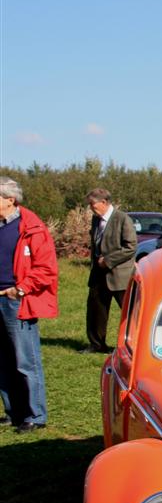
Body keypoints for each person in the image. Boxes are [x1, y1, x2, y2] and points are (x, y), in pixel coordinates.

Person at [0, 177, 57, 433]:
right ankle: (14, 412)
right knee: (3, 361)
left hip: (16, 301)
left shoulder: (32, 227)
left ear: (10, 200)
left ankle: (35, 415)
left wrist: (20, 289)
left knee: (26, 361)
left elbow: (45, 268)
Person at [85, 188, 137, 353]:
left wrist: (108, 261)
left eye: (93, 204)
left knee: (130, 312)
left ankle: (135, 346)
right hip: (98, 274)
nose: (91, 207)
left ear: (104, 202)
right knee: (96, 310)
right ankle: (97, 344)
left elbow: (130, 247)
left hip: (119, 275)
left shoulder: (122, 219)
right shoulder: (95, 219)